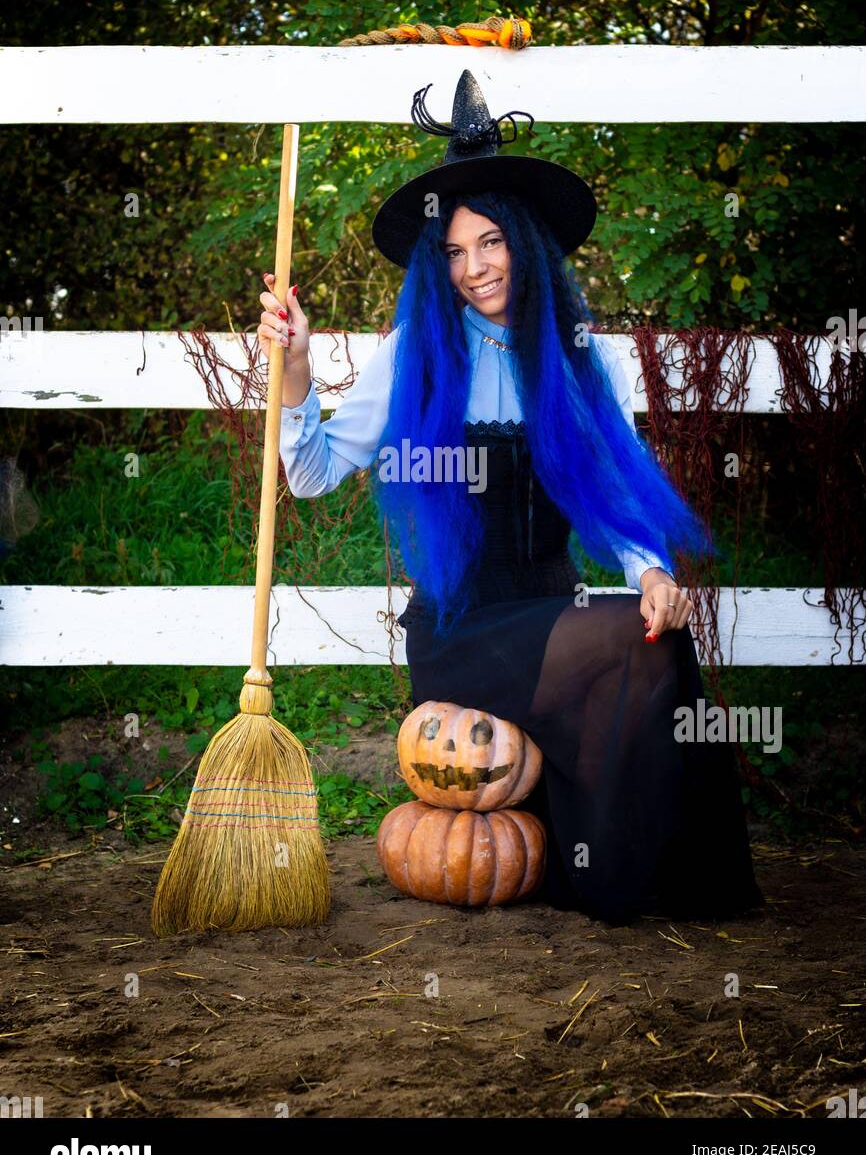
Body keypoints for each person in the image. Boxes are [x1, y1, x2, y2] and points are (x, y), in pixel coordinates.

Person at [257, 71, 764, 925]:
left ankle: (628, 872)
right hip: (464, 636)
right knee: (633, 648)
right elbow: (307, 472)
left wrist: (649, 572)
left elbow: (619, 490)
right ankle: (606, 880)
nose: (474, 268)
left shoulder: (576, 359)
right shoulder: (415, 354)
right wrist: (298, 368)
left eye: (489, 243)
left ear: (524, 243)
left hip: (550, 614)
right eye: (454, 252)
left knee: (655, 636)